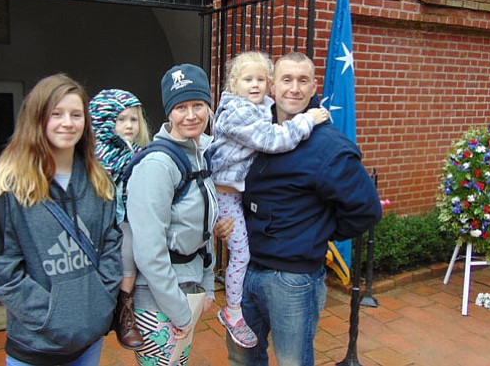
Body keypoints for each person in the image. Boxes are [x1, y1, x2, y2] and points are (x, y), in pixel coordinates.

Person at [225, 52, 382, 366]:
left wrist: (317, 232)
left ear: (314, 89)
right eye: (286, 80)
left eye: (303, 81)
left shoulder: (328, 146)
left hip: (292, 281)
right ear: (272, 86)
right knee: (242, 360)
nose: (293, 89)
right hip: (245, 272)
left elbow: (366, 209)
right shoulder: (256, 130)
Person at [0, 73, 122, 366]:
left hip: (88, 342)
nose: (67, 123)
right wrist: (53, 316)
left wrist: (100, 302)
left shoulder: (99, 181)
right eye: (56, 114)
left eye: (76, 114)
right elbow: (2, 274)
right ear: (38, 119)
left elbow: (111, 246)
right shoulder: (12, 186)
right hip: (35, 347)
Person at [210, 51, 329, 349]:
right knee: (241, 255)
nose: (255, 85)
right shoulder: (238, 112)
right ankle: (233, 311)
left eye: (260, 79)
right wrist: (308, 119)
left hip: (238, 197)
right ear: (233, 84)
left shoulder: (262, 106)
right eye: (247, 79)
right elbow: (273, 140)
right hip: (225, 194)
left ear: (269, 84)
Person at [125, 63, 218, 365]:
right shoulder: (157, 165)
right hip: (158, 302)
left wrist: (206, 284)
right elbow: (149, 250)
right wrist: (180, 310)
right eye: (181, 107)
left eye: (198, 105)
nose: (191, 115)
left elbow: (206, 227)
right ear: (169, 113)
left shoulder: (202, 154)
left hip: (186, 292)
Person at [89, 88, 150, 350]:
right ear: (104, 122)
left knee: (129, 252)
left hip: (126, 220)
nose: (128, 126)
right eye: (121, 119)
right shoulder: (89, 156)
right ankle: (98, 311)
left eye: (133, 119)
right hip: (96, 221)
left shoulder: (141, 153)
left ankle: (125, 312)